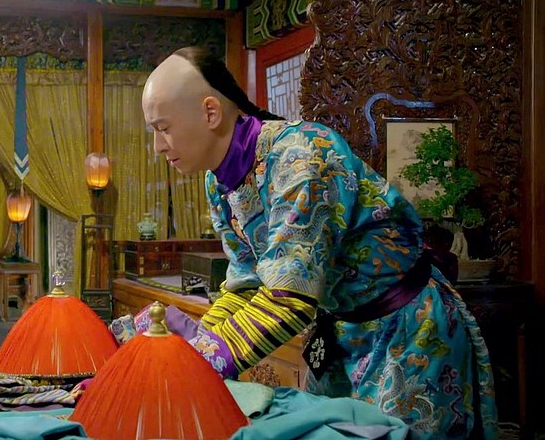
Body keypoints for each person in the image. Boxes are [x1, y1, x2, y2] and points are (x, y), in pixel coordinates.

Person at [137, 46, 497, 439]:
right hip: (339, 334)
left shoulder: (300, 156)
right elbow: (246, 282)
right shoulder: (218, 181)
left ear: (210, 112)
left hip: (406, 332)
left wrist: (200, 359)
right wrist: (192, 348)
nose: (157, 146)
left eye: (163, 127)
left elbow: (288, 296)